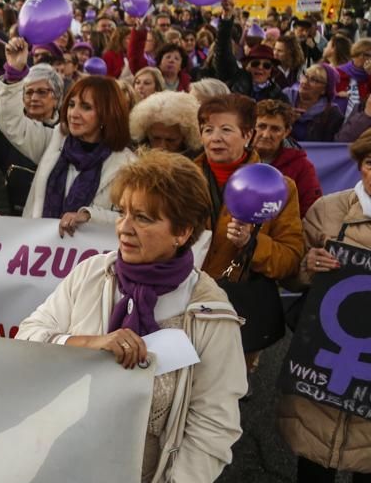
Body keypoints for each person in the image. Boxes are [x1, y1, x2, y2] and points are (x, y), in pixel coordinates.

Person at [17, 151, 245, 483]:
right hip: (73, 475)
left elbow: (214, 422)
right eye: (123, 212)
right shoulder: (92, 274)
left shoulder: (209, 314)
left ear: (183, 232)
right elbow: (28, 337)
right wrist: (87, 343)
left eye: (144, 218)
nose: (124, 227)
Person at [275, 133, 371, 483]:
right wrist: (307, 267)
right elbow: (290, 270)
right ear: (360, 163)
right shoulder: (327, 209)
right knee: (314, 426)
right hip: (325, 347)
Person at [194, 95, 303, 364]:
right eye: (208, 129)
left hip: (236, 312)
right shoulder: (180, 178)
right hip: (181, 303)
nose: (215, 138)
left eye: (226, 129)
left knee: (225, 387)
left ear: (247, 135)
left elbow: (289, 259)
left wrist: (252, 243)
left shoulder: (279, 188)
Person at [0, 38, 136, 227]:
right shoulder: (54, 141)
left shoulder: (127, 165)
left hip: (91, 246)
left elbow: (132, 218)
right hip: (39, 243)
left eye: (86, 107)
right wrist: (14, 72)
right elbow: (10, 121)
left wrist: (90, 216)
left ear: (107, 114)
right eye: (71, 104)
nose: (74, 114)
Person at [253, 100, 323, 214]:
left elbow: (311, 212)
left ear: (286, 132)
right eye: (261, 126)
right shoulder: (234, 157)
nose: (266, 135)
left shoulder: (302, 167)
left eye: (275, 129)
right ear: (251, 127)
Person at [129, 91, 203, 158]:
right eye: (156, 138)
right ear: (147, 133)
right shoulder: (133, 156)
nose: (162, 147)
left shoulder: (199, 160)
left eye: (170, 140)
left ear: (186, 137)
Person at [284, 64, 345, 142]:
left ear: (324, 90)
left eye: (314, 80)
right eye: (305, 76)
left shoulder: (332, 114)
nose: (305, 82)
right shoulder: (284, 97)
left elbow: (328, 146)